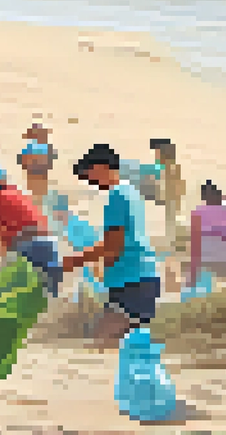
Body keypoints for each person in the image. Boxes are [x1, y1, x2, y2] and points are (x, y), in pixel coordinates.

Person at [63, 144, 163, 350]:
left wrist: (73, 261)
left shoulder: (116, 196)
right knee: (125, 349)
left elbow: (113, 246)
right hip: (143, 278)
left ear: (100, 167)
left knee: (100, 343)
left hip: (131, 282)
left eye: (87, 174)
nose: (88, 181)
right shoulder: (131, 192)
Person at [0, 165, 63, 292]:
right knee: (50, 289)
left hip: (27, 244)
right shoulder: (18, 194)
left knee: (21, 289)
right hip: (49, 240)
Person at [189, 180, 226, 289]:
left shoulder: (197, 214)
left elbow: (195, 249)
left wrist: (192, 278)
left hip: (210, 266)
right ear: (220, 196)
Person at [150, 138, 184, 239]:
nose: (156, 157)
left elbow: (175, 188)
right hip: (171, 203)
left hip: (173, 203)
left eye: (157, 154)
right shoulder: (168, 168)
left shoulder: (171, 169)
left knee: (172, 224)